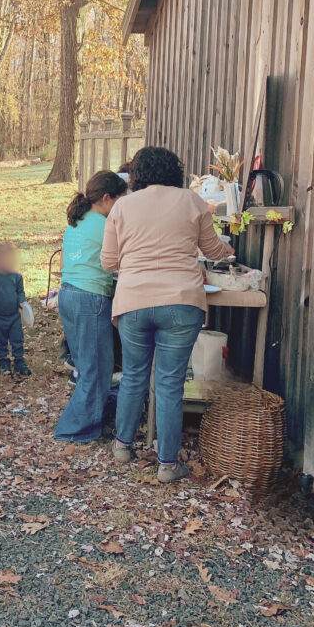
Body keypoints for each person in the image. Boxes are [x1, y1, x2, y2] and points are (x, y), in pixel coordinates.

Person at [101, 146, 233, 483]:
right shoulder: (191, 201)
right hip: (181, 301)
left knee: (133, 375)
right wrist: (229, 249)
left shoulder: (122, 206)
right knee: (170, 384)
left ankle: (122, 446)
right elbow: (212, 249)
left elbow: (109, 262)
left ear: (137, 175)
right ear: (174, 171)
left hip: (133, 302)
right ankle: (168, 466)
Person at [54, 171, 127, 448]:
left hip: (69, 294)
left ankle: (91, 421)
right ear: (107, 198)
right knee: (98, 367)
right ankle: (75, 428)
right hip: (91, 298)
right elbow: (118, 260)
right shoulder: (105, 225)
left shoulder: (76, 221)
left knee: (87, 365)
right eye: (120, 200)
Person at [0, 241, 31, 377]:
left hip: (14, 316)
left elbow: (20, 292)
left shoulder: (16, 276)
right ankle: (3, 361)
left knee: (17, 338)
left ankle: (19, 361)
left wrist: (22, 303)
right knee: (0, 339)